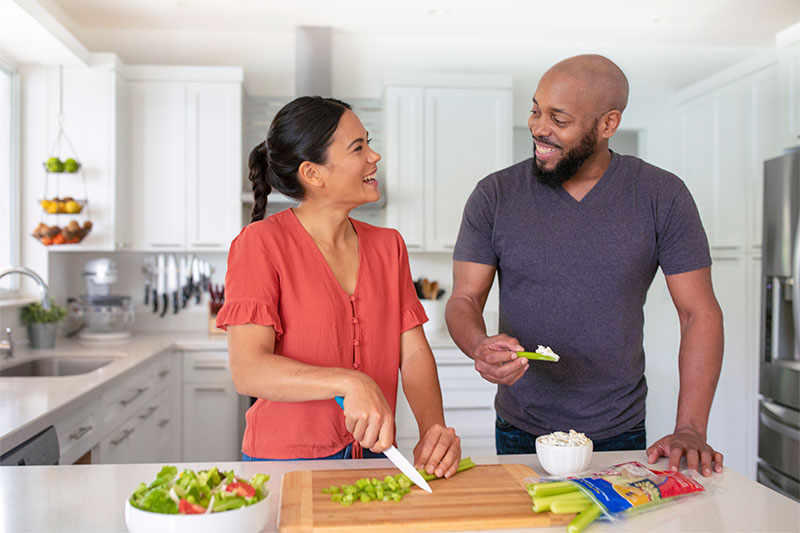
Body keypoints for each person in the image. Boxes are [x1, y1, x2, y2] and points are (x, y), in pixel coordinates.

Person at [445, 54, 724, 477]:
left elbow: (699, 312)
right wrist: (477, 346)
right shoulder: (495, 195)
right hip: (521, 426)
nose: (539, 127)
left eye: (559, 118)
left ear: (608, 124)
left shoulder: (661, 195)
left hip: (619, 429)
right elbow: (464, 297)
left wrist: (690, 427)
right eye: (536, 110)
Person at [217, 96, 461, 478]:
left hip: (376, 457)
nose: (374, 156)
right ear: (313, 174)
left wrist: (433, 429)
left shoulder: (388, 246)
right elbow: (248, 369)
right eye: (358, 147)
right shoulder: (260, 244)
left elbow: (413, 354)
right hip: (286, 462)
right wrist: (350, 381)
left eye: (369, 142)